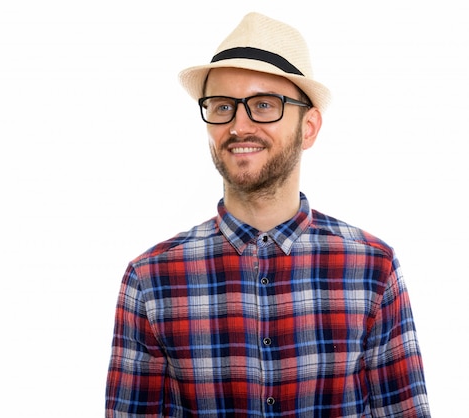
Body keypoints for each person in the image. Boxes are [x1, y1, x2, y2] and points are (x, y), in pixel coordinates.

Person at [105, 11, 430, 417]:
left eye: (263, 105)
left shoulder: (372, 268)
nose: (239, 125)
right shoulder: (151, 279)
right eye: (223, 106)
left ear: (308, 127)